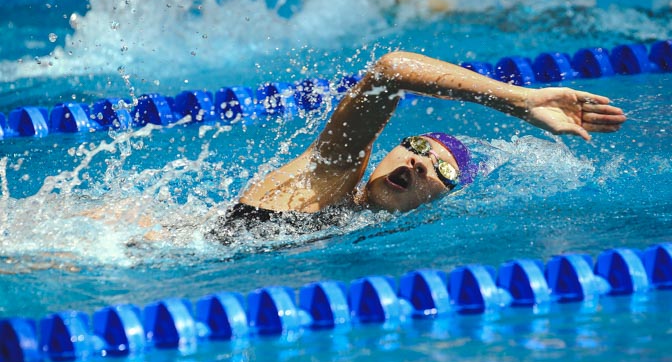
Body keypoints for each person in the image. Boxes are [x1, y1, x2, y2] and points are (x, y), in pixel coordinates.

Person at [210, 51, 626, 244]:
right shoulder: (326, 178)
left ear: (438, 202)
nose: (420, 163)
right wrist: (522, 101)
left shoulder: (364, 232)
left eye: (442, 171)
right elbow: (392, 70)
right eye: (417, 147)